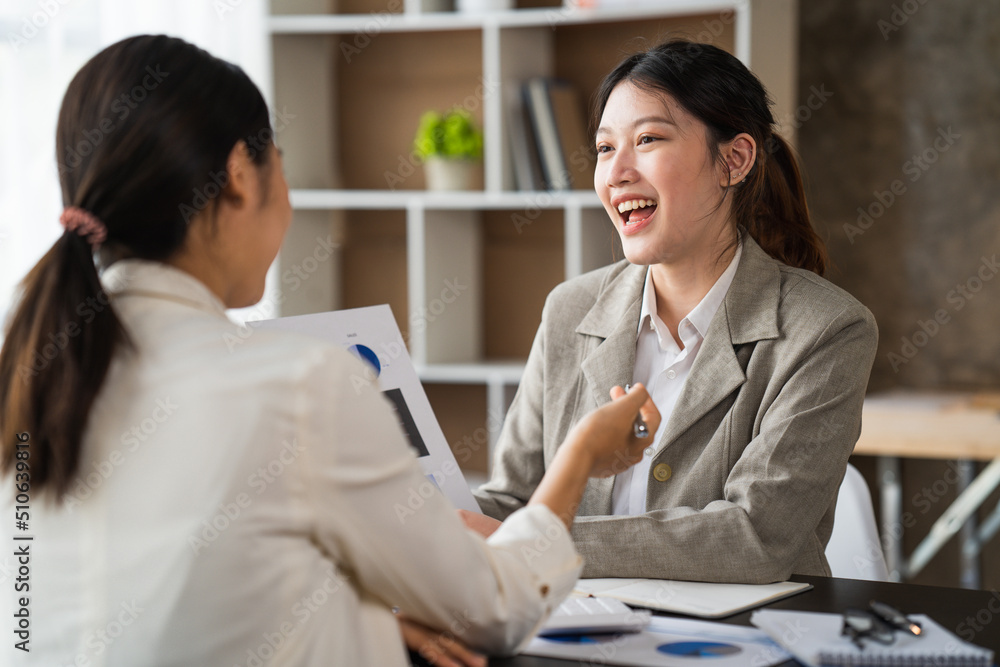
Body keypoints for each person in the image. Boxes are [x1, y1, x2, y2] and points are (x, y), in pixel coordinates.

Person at [0, 35, 660, 666]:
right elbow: (492, 606)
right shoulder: (298, 381)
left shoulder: (28, 361)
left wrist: (359, 608)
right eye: (279, 164)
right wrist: (578, 459)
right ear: (238, 175)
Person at [470, 39, 879, 585]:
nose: (616, 172)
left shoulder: (827, 329)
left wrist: (536, 544)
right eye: (604, 148)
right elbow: (512, 499)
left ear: (733, 160)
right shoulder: (570, 309)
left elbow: (754, 537)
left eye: (647, 140)